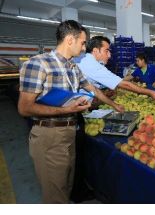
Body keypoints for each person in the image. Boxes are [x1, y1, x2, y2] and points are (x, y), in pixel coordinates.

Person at [18, 20, 124, 204]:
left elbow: (94, 90)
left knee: (65, 187)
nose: (84, 48)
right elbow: (24, 107)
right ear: (69, 40)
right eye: (82, 43)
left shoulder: (73, 68)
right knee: (55, 195)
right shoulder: (38, 64)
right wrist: (66, 109)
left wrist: (115, 105)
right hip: (49, 135)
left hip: (69, 133)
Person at [74, 36, 155, 99]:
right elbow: (126, 82)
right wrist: (150, 92)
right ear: (95, 51)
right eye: (106, 51)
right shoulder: (93, 65)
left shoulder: (85, 60)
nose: (109, 55)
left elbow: (94, 89)